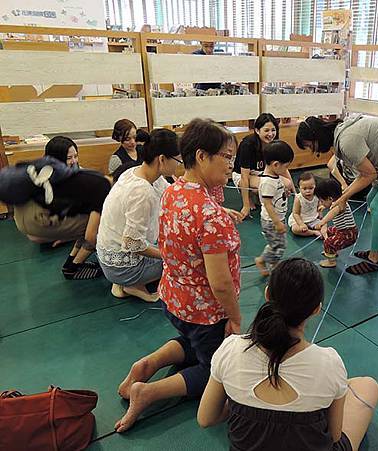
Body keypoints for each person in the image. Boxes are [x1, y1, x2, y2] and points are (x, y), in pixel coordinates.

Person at [115, 118, 243, 433]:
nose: (230, 165)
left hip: (173, 300)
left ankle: (149, 364)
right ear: (201, 156)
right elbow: (221, 283)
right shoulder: (210, 216)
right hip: (205, 311)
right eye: (225, 157)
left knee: (191, 338)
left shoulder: (173, 191)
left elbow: (189, 226)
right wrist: (236, 318)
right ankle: (148, 392)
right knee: (218, 369)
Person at [198, 258, 378, 451]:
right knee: (368, 385)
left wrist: (242, 401)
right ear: (316, 309)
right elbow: (335, 436)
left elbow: (205, 418)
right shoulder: (329, 362)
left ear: (267, 293)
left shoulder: (231, 349)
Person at [297, 115, 378, 275]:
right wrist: (343, 196)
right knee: (370, 199)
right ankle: (377, 251)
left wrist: (343, 198)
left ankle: (374, 259)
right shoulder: (342, 134)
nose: (314, 151)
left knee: (377, 207)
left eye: (310, 145)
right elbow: (365, 173)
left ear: (315, 136)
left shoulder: (347, 140)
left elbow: (369, 175)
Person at [97, 129, 180, 303]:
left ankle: (127, 283)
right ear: (162, 159)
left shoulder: (138, 172)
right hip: (122, 268)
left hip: (109, 258)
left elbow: (174, 195)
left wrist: (216, 209)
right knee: (185, 257)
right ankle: (132, 284)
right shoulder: (142, 192)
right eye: (177, 160)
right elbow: (132, 243)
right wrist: (169, 255)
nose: (178, 166)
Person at [11, 136, 110, 280]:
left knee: (94, 214)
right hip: (39, 226)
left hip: (35, 224)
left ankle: (73, 261)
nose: (74, 161)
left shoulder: (47, 170)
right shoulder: (54, 177)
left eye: (76, 156)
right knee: (98, 223)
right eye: (69, 157)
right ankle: (73, 267)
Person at [232, 113, 295, 220]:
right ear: (257, 130)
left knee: (286, 183)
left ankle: (257, 195)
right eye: (266, 130)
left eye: (273, 130)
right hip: (243, 174)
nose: (270, 134)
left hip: (262, 173)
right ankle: (251, 197)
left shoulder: (275, 143)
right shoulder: (247, 145)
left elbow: (283, 168)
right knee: (267, 185)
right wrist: (246, 205)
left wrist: (295, 193)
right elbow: (244, 176)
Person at [254, 140, 295, 277]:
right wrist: (277, 222)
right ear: (276, 164)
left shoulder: (275, 176)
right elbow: (267, 204)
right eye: (285, 167)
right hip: (271, 221)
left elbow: (276, 194)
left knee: (277, 244)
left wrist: (285, 192)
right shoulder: (268, 182)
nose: (286, 170)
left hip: (277, 218)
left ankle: (269, 261)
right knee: (279, 245)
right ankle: (266, 262)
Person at [314, 178, 358, 268]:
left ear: (330, 199)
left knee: (328, 242)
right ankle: (332, 251)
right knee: (329, 231)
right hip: (343, 230)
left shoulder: (340, 205)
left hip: (348, 234)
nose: (321, 203)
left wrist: (322, 222)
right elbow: (331, 208)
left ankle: (331, 261)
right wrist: (324, 207)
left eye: (322, 201)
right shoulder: (339, 201)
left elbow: (332, 213)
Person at [289, 172, 321, 237]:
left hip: (312, 218)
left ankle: (322, 233)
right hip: (300, 219)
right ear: (299, 189)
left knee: (323, 224)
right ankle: (313, 232)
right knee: (295, 229)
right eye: (304, 189)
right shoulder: (298, 198)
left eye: (311, 188)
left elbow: (319, 206)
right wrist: (301, 224)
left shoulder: (317, 195)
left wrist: (320, 213)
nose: (308, 191)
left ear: (315, 187)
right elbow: (295, 213)